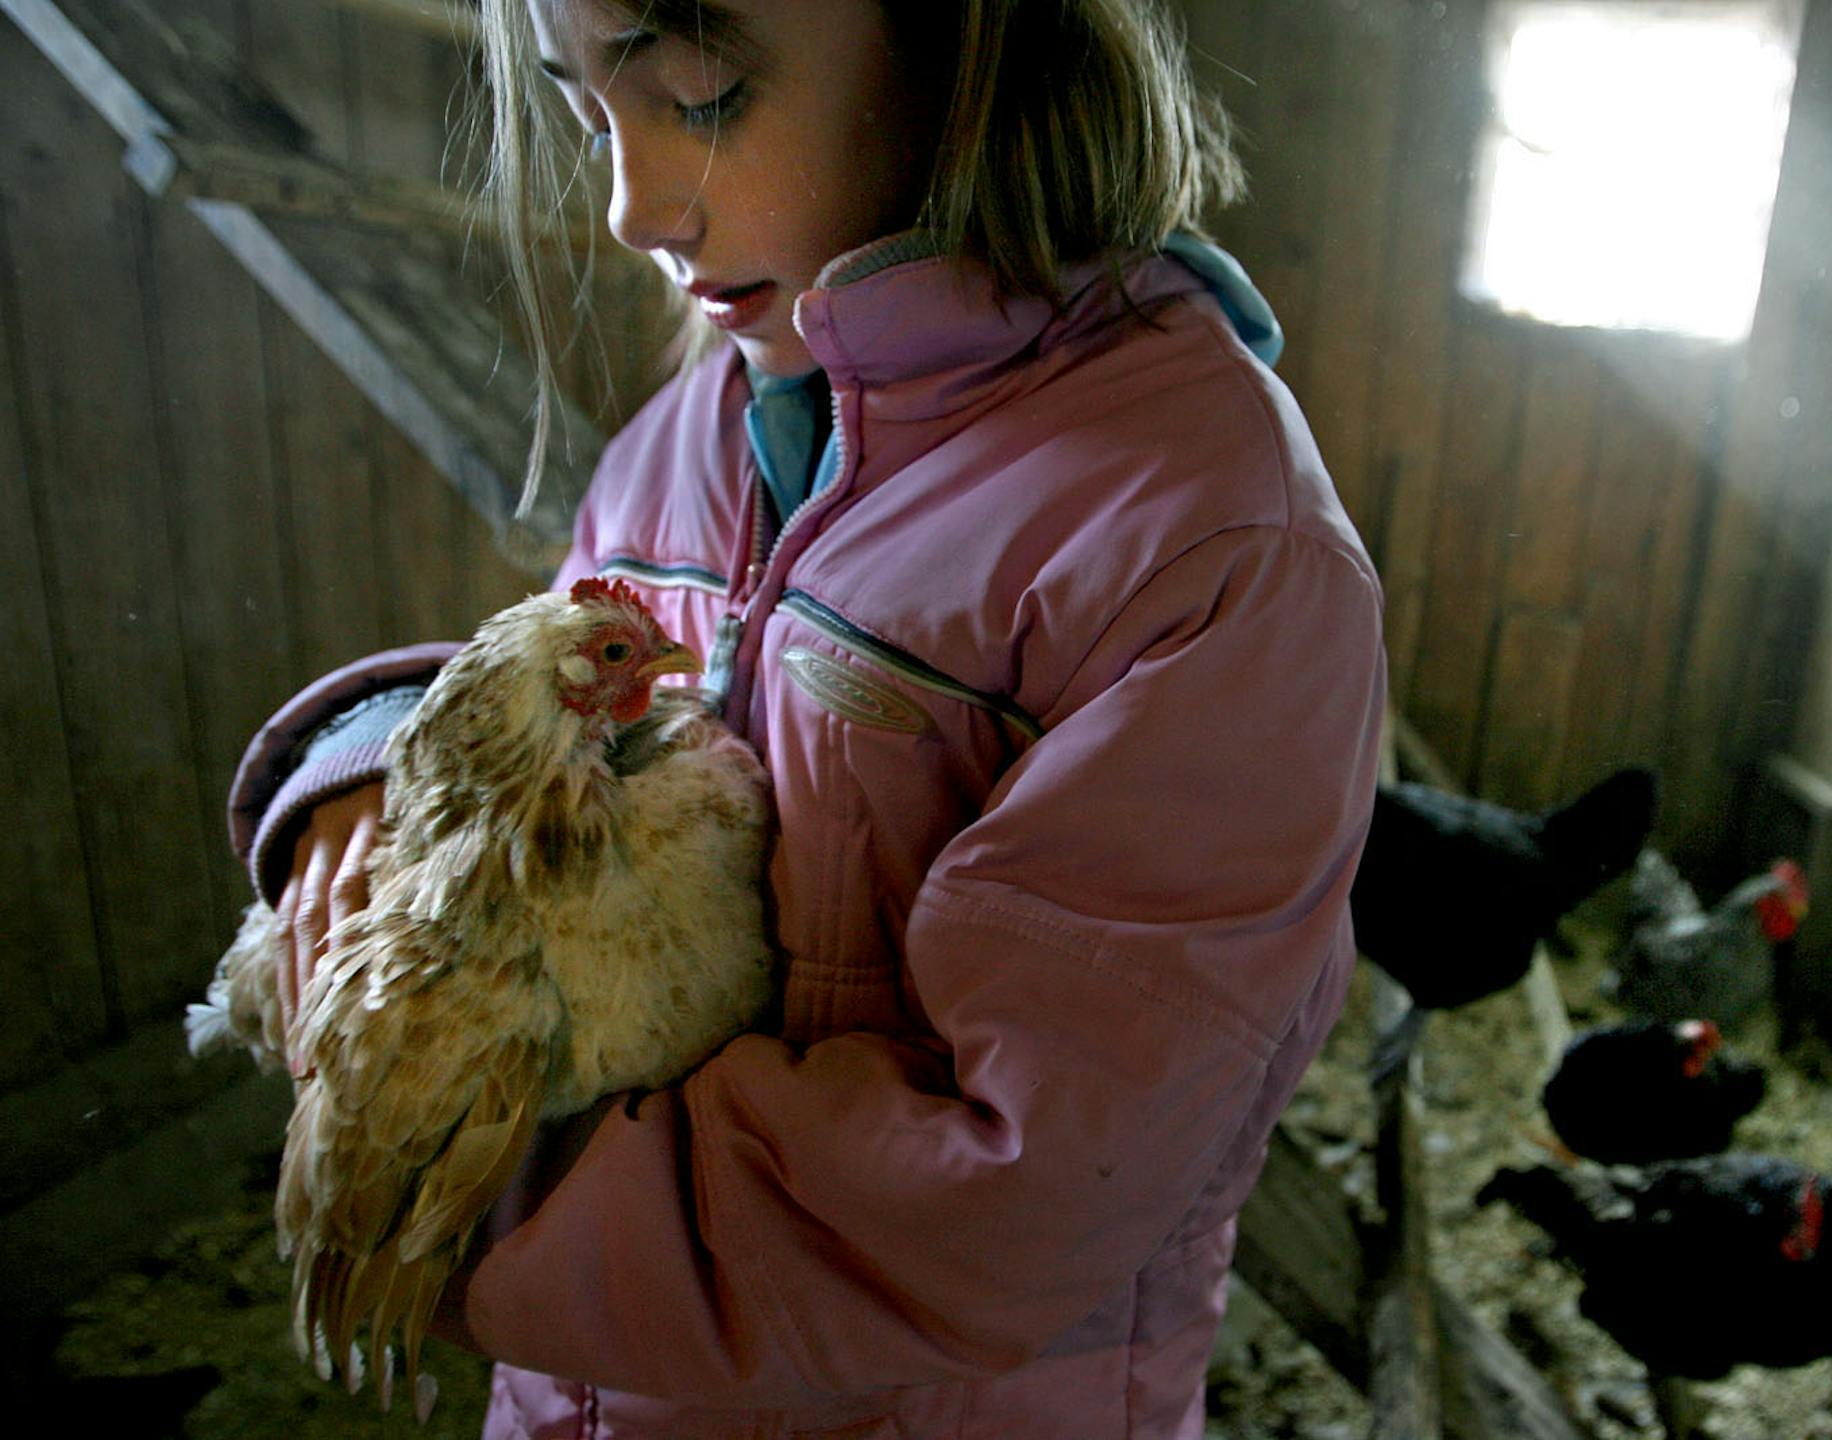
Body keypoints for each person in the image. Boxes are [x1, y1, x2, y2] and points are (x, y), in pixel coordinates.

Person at [225, 0, 1387, 1434]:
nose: (631, 207)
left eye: (698, 99)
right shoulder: (691, 432)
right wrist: (379, 760)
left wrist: (452, 1189)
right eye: (591, 118)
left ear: (967, 47)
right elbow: (592, 691)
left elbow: (1006, 1185)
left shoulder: (1202, 545)